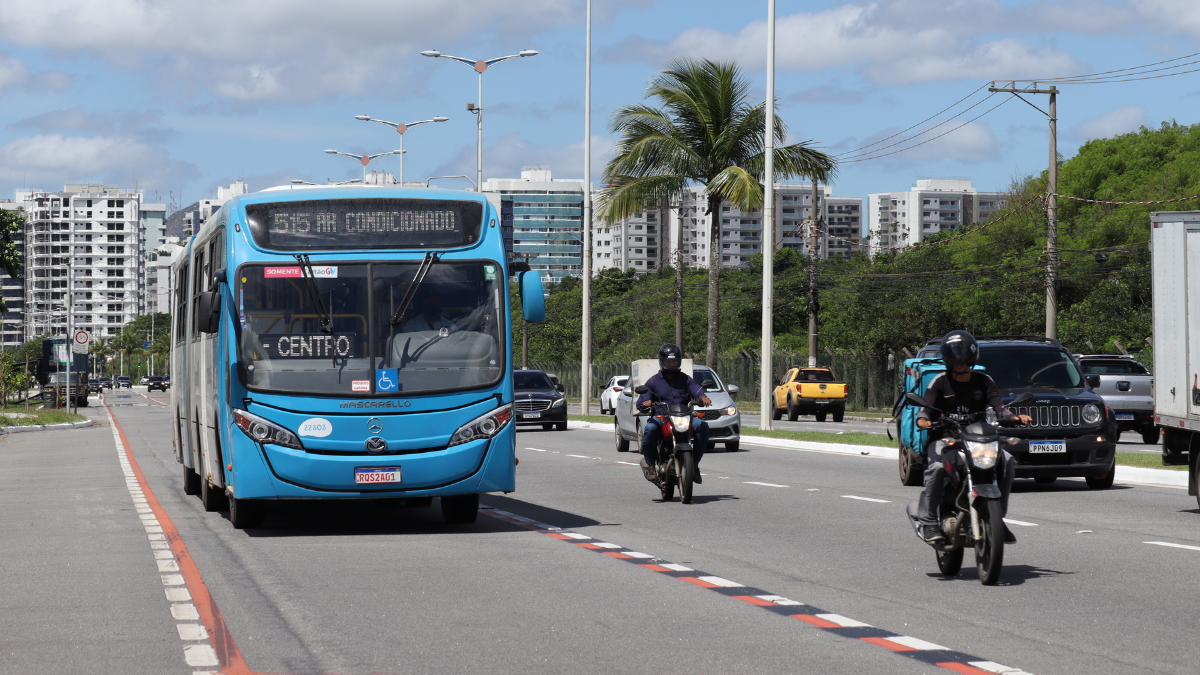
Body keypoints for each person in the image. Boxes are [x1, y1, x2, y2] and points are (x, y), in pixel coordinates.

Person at [915, 330, 1032, 544]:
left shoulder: (984, 381)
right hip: (946, 439)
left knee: (1007, 460)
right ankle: (928, 521)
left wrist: (1014, 417)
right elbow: (926, 407)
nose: (960, 362)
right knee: (938, 469)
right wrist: (923, 418)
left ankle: (998, 518)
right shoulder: (940, 382)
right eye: (955, 356)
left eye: (963, 356)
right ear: (947, 358)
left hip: (977, 441)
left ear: (972, 356)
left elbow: (1000, 408)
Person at [636, 344, 712, 483]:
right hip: (662, 418)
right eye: (668, 361)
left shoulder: (685, 379)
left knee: (702, 426)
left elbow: (696, 390)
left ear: (679, 361)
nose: (671, 364)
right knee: (650, 428)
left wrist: (703, 397)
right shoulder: (653, 381)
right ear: (662, 361)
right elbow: (642, 401)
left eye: (674, 361)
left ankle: (694, 465)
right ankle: (651, 466)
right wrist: (646, 403)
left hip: (684, 416)